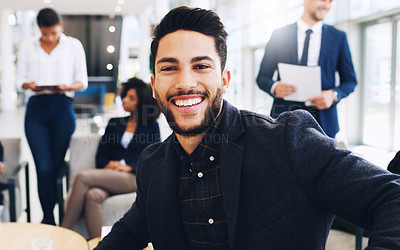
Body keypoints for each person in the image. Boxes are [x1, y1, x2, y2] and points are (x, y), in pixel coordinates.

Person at [96, 6, 400, 249]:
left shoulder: (287, 141)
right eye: (169, 68)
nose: (185, 82)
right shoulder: (153, 164)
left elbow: (392, 197)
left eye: (201, 66)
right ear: (154, 85)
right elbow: (127, 235)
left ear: (225, 80)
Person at [61, 77, 161, 239]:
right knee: (92, 195)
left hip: (133, 177)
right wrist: (109, 164)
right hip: (110, 176)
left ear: (141, 101)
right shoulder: (115, 123)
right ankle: (98, 244)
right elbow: (101, 153)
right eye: (124, 96)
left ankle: (63, 232)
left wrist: (129, 167)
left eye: (131, 97)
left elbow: (153, 156)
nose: (124, 100)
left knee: (83, 177)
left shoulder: (151, 127)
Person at [16, 8, 88, 225]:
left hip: (62, 109)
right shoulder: (28, 46)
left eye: (54, 33)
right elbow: (20, 81)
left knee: (56, 168)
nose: (50, 38)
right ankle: (48, 218)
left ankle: (60, 217)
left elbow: (82, 82)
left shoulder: (73, 46)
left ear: (61, 27)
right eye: (45, 34)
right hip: (36, 110)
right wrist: (30, 85)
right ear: (39, 29)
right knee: (44, 167)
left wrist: (66, 86)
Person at [256, 0, 357, 138]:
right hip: (284, 117)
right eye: (323, 0)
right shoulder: (279, 34)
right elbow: (262, 77)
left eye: (330, 1)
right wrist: (274, 87)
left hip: (324, 121)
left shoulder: (338, 37)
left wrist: (333, 95)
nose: (327, 6)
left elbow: (350, 81)